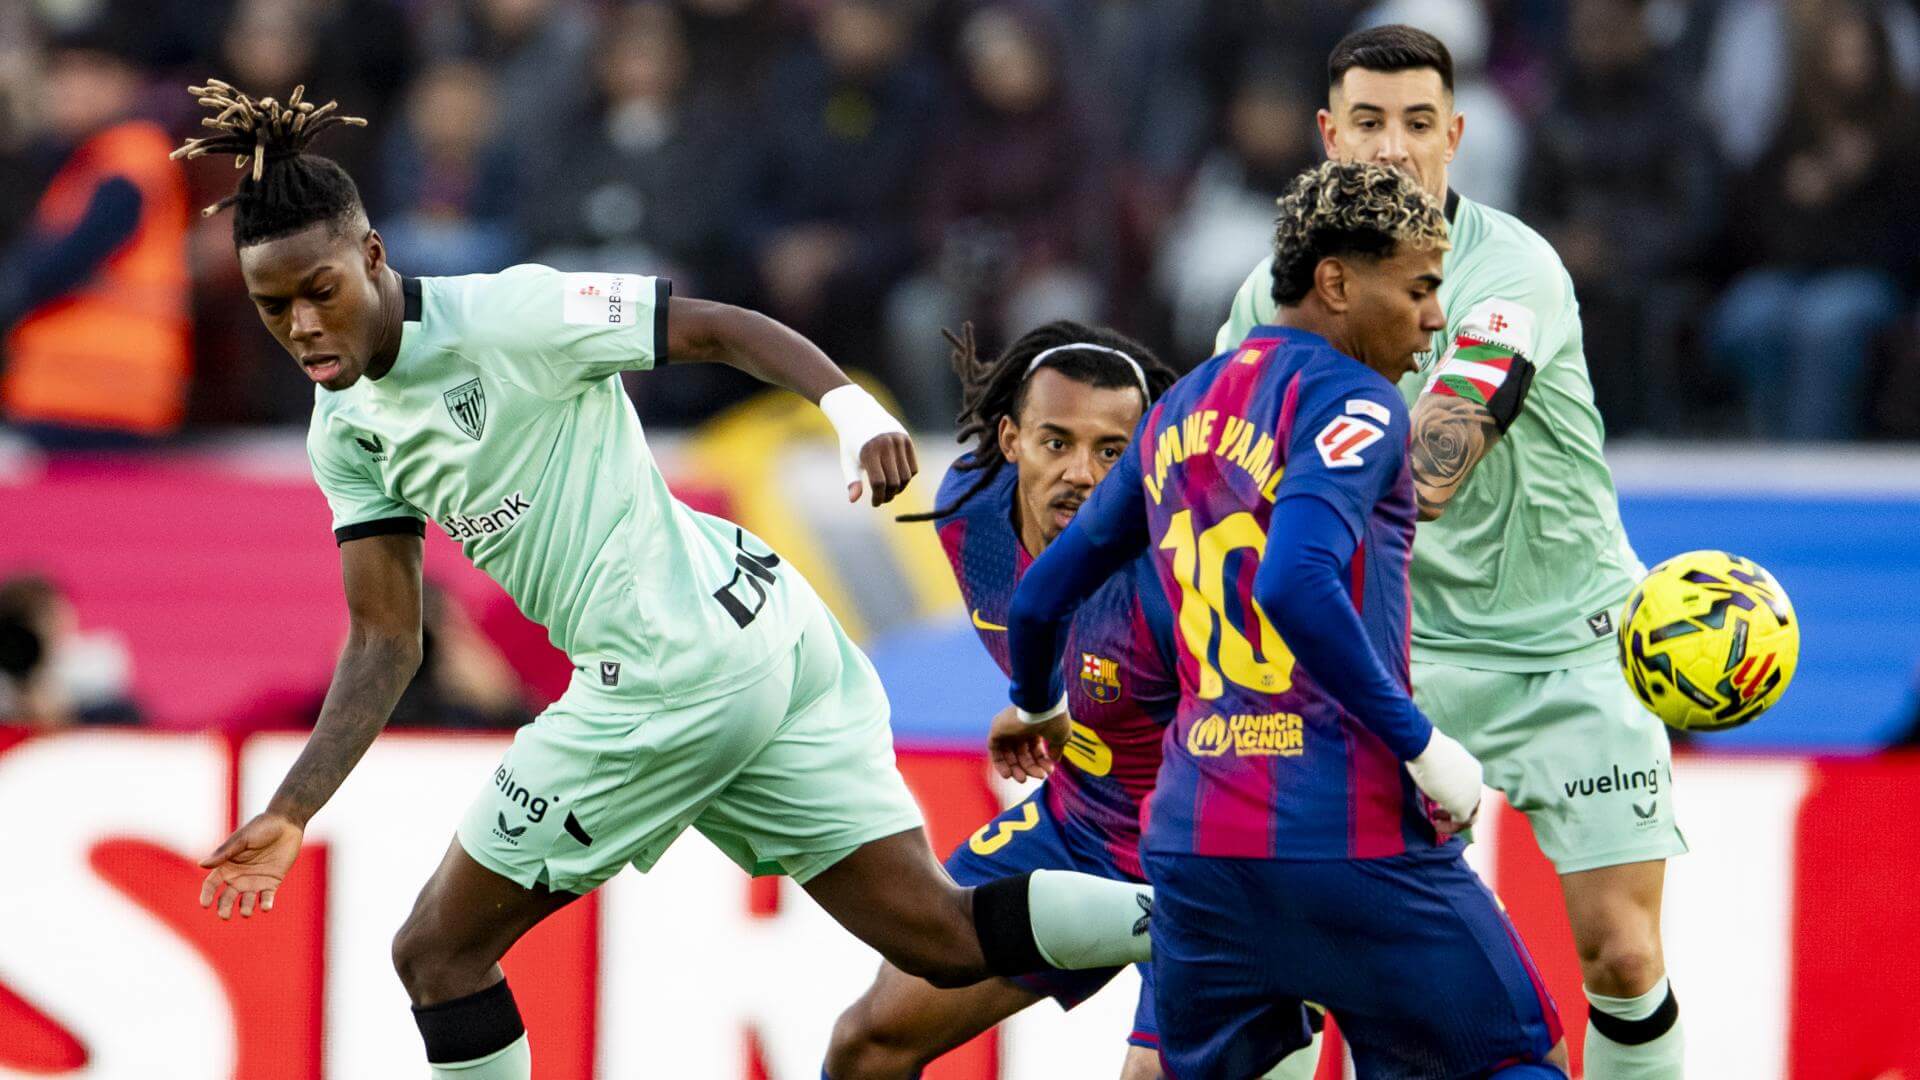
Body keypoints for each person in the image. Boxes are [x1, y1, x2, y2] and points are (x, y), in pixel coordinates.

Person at [175, 81, 1154, 1080]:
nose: (300, 324)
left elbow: (716, 327)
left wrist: (851, 408)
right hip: (764, 623)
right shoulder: (344, 434)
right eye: (272, 305)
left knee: (436, 953)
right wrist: (294, 806)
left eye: (319, 289)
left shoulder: (509, 313)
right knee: (940, 939)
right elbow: (388, 636)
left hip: (666, 667)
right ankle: (1211, 919)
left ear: (372, 255)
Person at [1006, 159, 1564, 1080]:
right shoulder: (1355, 401)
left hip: (1195, 850)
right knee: (1513, 1060)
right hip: (1348, 837)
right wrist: (1424, 746)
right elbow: (1295, 583)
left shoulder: (1179, 404)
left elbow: (1037, 599)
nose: (1434, 316)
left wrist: (1035, 705)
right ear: (1337, 283)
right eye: (1420, 288)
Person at [1215, 26, 1686, 1078]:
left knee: (1621, 952)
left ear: (1456, 136)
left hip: (1569, 647)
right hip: (1396, 666)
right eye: (1370, 123)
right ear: (1329, 137)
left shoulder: (1511, 269)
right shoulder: (1271, 297)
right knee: (1284, 961)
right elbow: (1220, 480)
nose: (1394, 147)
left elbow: (1433, 470)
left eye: (1419, 124)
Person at [828, 322, 1320, 1080]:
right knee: (870, 1043)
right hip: (1081, 826)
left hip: (1211, 856)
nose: (1083, 474)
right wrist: (1039, 703)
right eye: (1057, 442)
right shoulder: (969, 511)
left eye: (1112, 452)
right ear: (1011, 437)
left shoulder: (1182, 565)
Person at [0, 15, 191, 445]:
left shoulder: (130, 157)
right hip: (78, 397)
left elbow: (55, 263)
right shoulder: (82, 160)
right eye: (61, 75)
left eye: (90, 73)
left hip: (99, 401)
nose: (71, 90)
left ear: (128, 84)